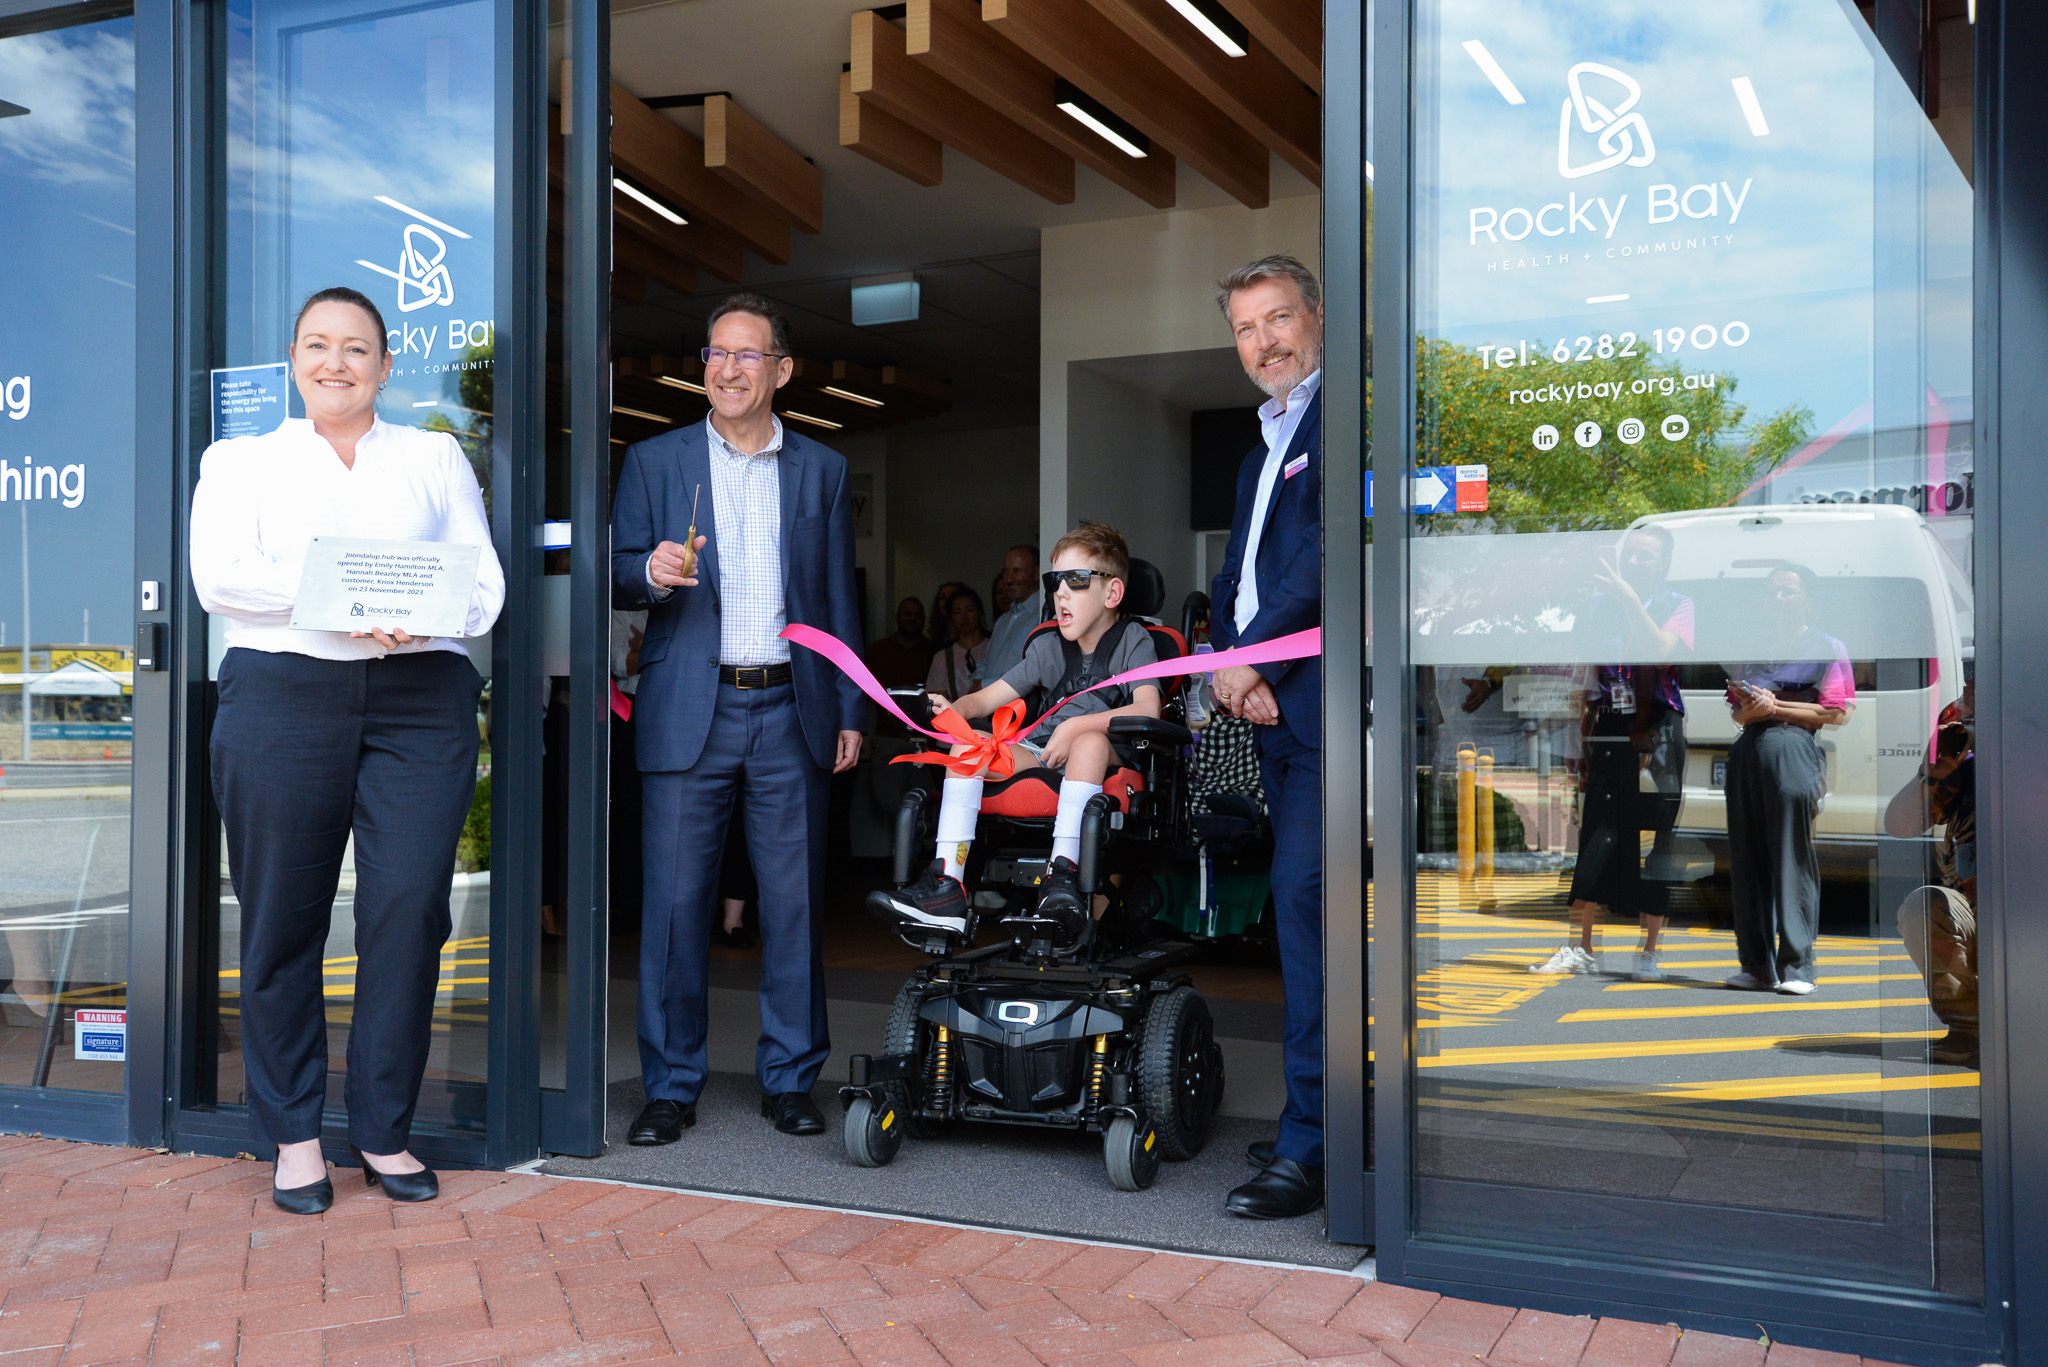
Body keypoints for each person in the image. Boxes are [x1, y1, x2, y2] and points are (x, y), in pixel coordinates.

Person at [190, 285, 504, 1214]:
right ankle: (293, 1136)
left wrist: (418, 609)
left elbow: (481, 583)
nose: (337, 362)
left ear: (385, 365)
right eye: (319, 345)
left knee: (408, 915)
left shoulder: (435, 456)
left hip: (419, 700)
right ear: (293, 358)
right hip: (284, 692)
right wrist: (346, 598)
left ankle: (382, 1128)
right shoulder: (239, 459)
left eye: (357, 348)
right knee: (283, 916)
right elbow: (220, 578)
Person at [611, 291, 865, 1146]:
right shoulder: (656, 460)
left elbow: (835, 599)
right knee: (676, 908)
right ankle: (671, 1085)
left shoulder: (822, 471)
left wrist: (851, 704)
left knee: (792, 905)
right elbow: (615, 572)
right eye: (716, 353)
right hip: (692, 706)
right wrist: (647, 567)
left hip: (791, 704)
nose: (727, 368)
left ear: (781, 371)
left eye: (747, 355)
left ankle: (792, 1078)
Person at [868, 523, 1160, 944]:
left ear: (1112, 593)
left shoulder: (1133, 639)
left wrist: (1079, 726)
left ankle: (1063, 878)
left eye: (1075, 581)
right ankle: (947, 888)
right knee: (966, 745)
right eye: (1054, 581)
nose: (1060, 593)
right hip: (1043, 752)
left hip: (1106, 752)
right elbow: (988, 698)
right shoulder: (1046, 646)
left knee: (1089, 742)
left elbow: (1148, 706)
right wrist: (957, 709)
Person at [1207, 255, 1325, 1221]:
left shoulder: (1343, 428)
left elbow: (1320, 564)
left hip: (1321, 713)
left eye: (1278, 319)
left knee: (1306, 916)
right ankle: (1311, 1119)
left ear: (1315, 317)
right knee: (1298, 925)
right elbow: (1234, 581)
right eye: (1247, 328)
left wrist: (1254, 662)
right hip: (1274, 717)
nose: (1264, 343)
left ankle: (1314, 1146)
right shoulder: (1256, 453)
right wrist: (1225, 665)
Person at [1533, 525, 1693, 981]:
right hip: (1609, 728)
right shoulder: (1597, 607)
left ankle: (1649, 951)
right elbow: (1587, 675)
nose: (1635, 563)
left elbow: (1660, 653)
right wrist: (1579, 738)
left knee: (1657, 840)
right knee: (1597, 838)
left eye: (1646, 557)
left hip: (1658, 731)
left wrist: (1629, 598)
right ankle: (1580, 946)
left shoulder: (1679, 605)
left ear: (1662, 563)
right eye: (1631, 555)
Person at [1723, 564, 1854, 995]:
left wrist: (1775, 708)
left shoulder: (1827, 646)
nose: (1777, 600)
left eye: (1787, 592)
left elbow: (1836, 713)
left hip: (1793, 748)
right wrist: (1749, 711)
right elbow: (1737, 713)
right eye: (1771, 593)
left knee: (1790, 857)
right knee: (1746, 860)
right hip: (1749, 750)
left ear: (1807, 599)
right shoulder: (1753, 648)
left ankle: (1797, 967)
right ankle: (1756, 965)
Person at [1884, 682, 1977, 1067]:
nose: (1964, 705)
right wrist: (1930, 775)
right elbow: (1899, 825)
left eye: (1972, 700)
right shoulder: (1965, 766)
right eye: (1966, 696)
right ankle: (1969, 1027)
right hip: (1979, 913)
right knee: (1924, 907)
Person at [981, 545, 1041, 685]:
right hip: (988, 704)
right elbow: (988, 663)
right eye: (1006, 572)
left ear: (1037, 572)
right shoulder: (1002, 621)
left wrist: (983, 686)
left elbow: (1033, 673)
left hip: (1019, 706)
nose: (1009, 579)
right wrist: (977, 681)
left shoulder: (1043, 616)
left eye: (1017, 571)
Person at [925, 585, 989, 699]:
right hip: (955, 716)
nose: (964, 617)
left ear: (979, 613)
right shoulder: (942, 658)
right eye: (957, 612)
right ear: (951, 618)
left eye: (969, 610)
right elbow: (936, 702)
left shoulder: (994, 648)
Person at [866, 596, 934, 690]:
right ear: (897, 616)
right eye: (907, 614)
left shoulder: (933, 652)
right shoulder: (877, 650)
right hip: (884, 704)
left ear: (924, 619)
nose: (912, 619)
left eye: (917, 615)